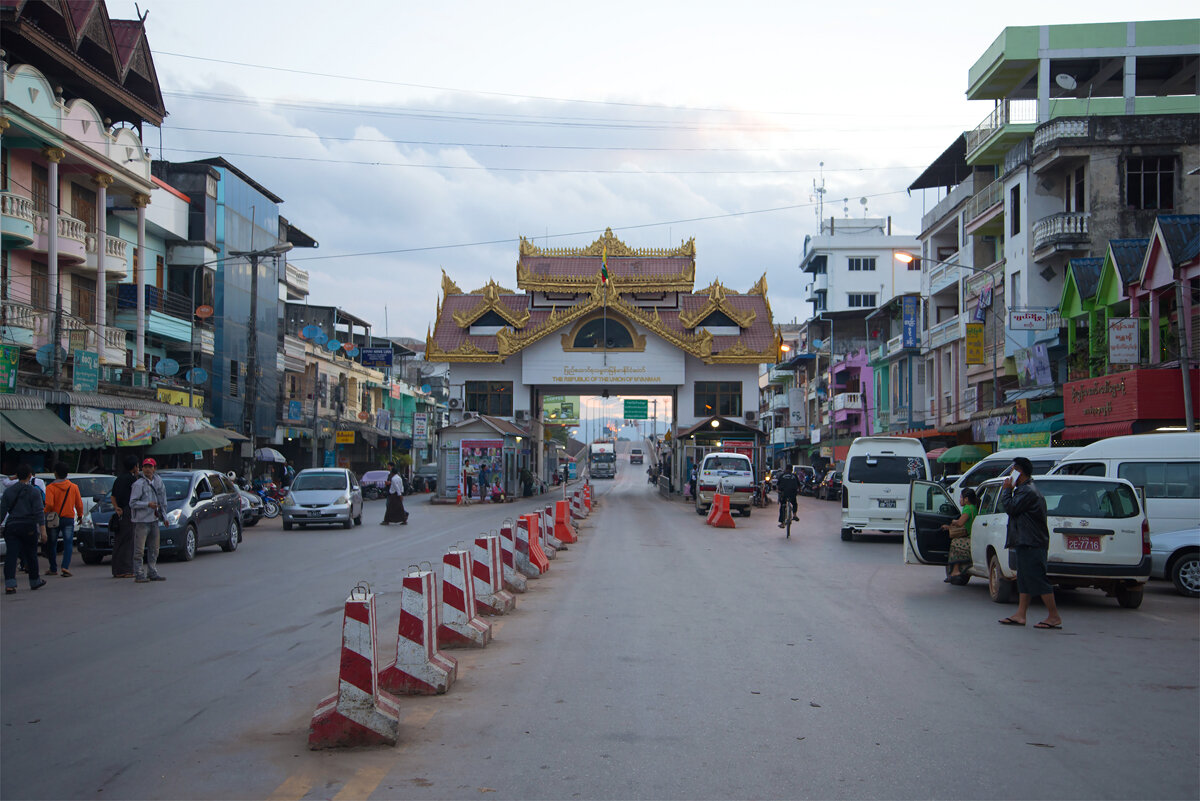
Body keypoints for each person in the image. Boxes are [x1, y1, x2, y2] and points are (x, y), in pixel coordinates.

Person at [997, 456, 1062, 629]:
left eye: (1013, 470)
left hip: (1032, 542)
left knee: (1037, 579)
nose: (1010, 474)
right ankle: (1020, 614)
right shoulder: (1024, 490)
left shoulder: (1027, 491)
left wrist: (1006, 490)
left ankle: (1054, 616)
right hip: (1025, 541)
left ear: (1019, 472)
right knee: (1024, 579)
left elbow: (1010, 507)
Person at [2, 464, 47, 594]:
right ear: (29, 476)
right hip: (29, 526)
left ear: (16, 476)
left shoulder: (8, 491)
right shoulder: (34, 491)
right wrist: (43, 531)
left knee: (11, 555)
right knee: (31, 554)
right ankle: (34, 581)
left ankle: (10, 584)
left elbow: (2, 511)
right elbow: (39, 512)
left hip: (12, 526)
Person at [129, 458, 167, 583]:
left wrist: (165, 517)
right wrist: (147, 504)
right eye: (145, 466)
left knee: (154, 548)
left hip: (154, 519)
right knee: (139, 549)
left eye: (150, 467)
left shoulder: (158, 481)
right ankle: (139, 573)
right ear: (142, 468)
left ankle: (152, 571)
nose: (148, 469)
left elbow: (162, 500)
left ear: (154, 468)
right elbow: (132, 503)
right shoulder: (138, 484)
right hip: (141, 521)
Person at [43, 462, 83, 578]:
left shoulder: (50, 487)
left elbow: (49, 504)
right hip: (68, 518)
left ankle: (53, 568)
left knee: (52, 543)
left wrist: (45, 512)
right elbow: (79, 504)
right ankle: (65, 567)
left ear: (55, 473)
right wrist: (80, 515)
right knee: (68, 542)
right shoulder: (73, 487)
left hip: (54, 518)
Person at [109, 456, 139, 578]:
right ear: (134, 467)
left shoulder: (119, 479)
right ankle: (126, 570)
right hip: (128, 511)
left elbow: (113, 496)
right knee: (128, 541)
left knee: (119, 541)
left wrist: (116, 508)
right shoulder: (132, 480)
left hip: (120, 511)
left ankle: (117, 569)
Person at [942, 488, 979, 582]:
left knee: (955, 543)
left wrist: (953, 521)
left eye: (961, 497)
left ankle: (955, 570)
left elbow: (960, 523)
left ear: (966, 499)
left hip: (971, 539)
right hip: (973, 536)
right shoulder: (973, 507)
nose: (960, 500)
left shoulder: (968, 508)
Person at [775, 465, 801, 530]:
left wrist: (778, 490)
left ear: (786, 469)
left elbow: (778, 485)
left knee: (782, 506)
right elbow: (799, 485)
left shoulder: (782, 476)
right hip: (792, 493)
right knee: (794, 503)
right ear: (791, 470)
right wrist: (799, 491)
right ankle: (794, 515)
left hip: (784, 493)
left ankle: (782, 523)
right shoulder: (794, 476)